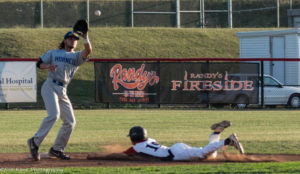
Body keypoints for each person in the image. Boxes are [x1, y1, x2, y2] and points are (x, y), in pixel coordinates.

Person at [27, 30, 92, 161]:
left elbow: (88, 50)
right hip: (50, 86)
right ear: (64, 40)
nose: (73, 40)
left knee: (70, 122)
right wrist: (48, 66)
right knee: (54, 115)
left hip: (63, 89)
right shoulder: (54, 53)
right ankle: (35, 141)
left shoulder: (77, 57)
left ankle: (57, 149)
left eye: (75, 39)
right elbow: (39, 63)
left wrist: (86, 37)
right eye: (70, 38)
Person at [87, 120, 245, 161]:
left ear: (134, 138)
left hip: (176, 153)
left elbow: (119, 156)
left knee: (204, 153)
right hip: (176, 149)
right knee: (210, 155)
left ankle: (228, 141)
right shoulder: (149, 140)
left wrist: (97, 157)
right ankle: (216, 134)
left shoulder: (137, 148)